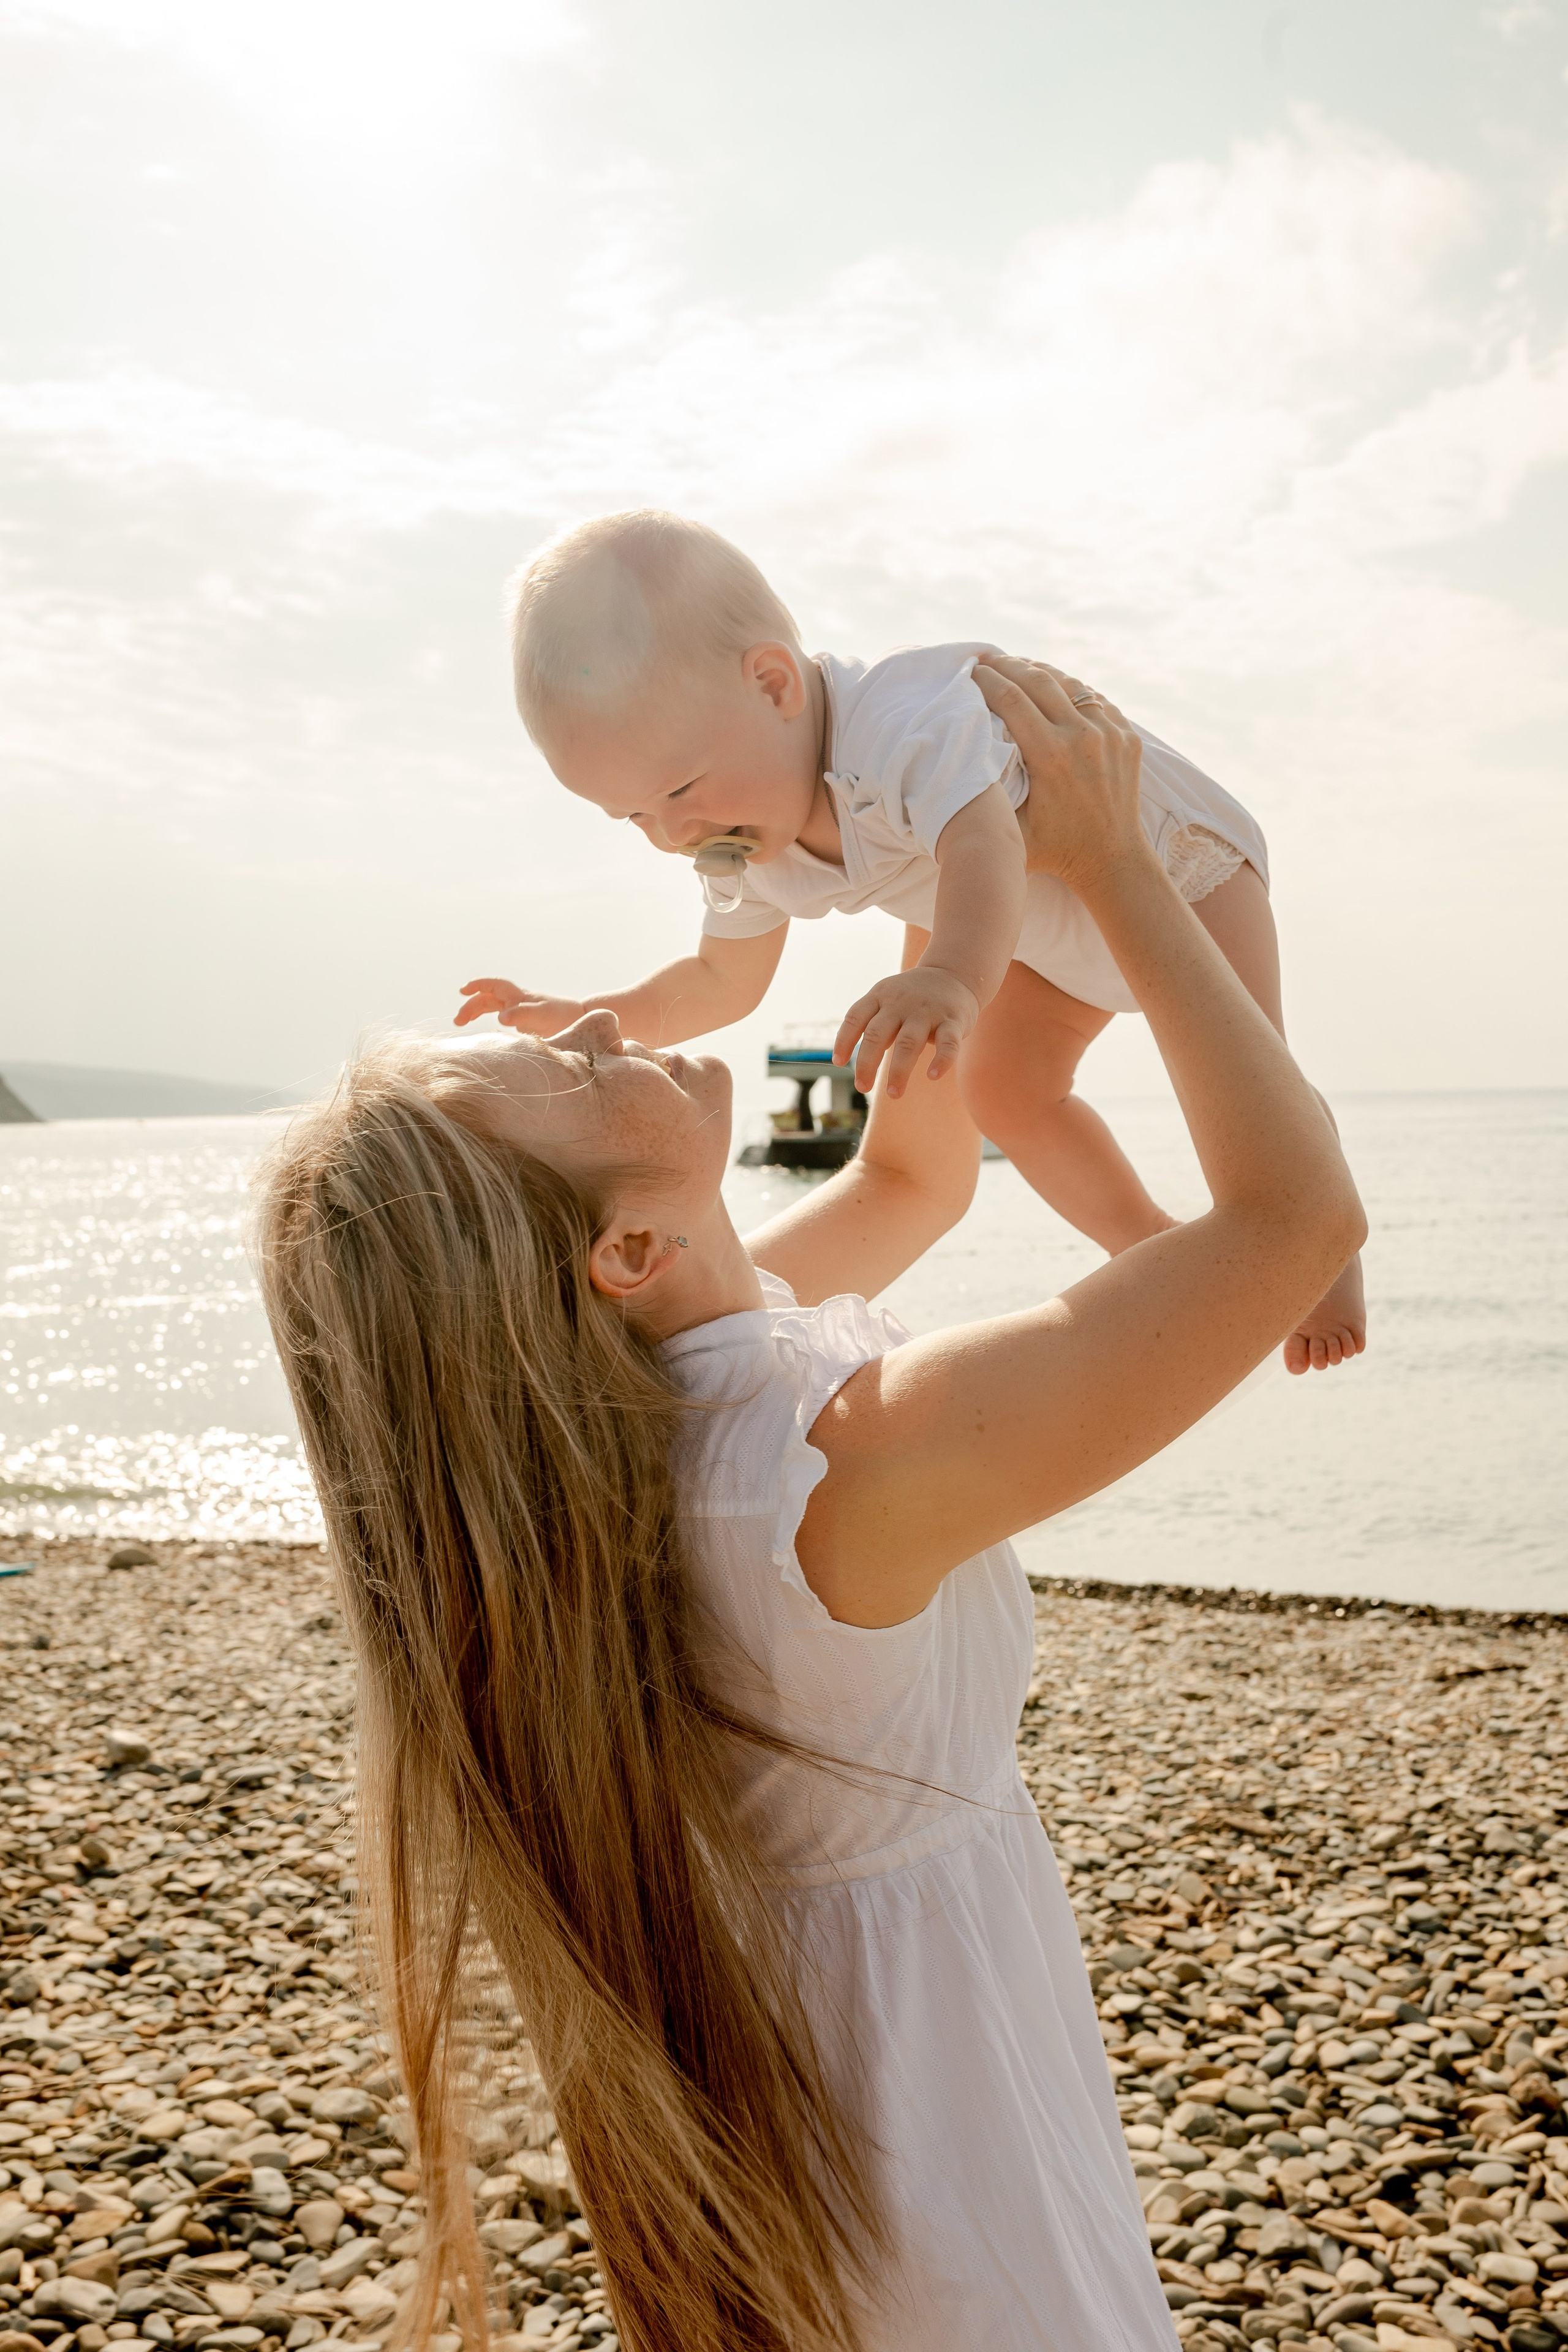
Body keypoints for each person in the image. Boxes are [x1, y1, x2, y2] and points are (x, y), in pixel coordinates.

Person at [255, 658, 1365, 2352]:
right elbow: (1293, 1223)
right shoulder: (836, 1463)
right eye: (569, 1073)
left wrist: (943, 914)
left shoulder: (653, 1414)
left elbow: (914, 1179)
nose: (604, 1028)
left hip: (859, 2084)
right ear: (624, 1251)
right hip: (942, 2146)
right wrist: (1119, 861)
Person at [456, 509, 1364, 1374]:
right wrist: (589, 1016)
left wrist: (952, 978)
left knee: (1252, 1074)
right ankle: (1151, 1247)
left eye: (680, 789)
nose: (671, 834)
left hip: (1177, 864)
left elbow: (985, 842)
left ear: (772, 684)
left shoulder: (898, 724)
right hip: (1040, 933)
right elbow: (718, 978)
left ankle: (1328, 1260)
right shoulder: (745, 841)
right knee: (1002, 1089)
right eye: (632, 817)